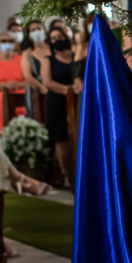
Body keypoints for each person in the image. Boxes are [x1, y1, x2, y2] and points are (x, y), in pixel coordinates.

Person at [40, 23, 81, 184]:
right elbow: (48, 82)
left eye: (60, 37)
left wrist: (75, 90)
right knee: (61, 137)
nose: (57, 40)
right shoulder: (48, 60)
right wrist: (67, 90)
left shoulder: (75, 56)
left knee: (76, 135)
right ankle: (65, 174)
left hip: (77, 99)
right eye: (53, 38)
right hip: (57, 101)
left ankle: (78, 168)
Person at [20, 18, 51, 116]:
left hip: (54, 87)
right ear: (28, 35)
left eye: (39, 28)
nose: (37, 32)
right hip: (37, 91)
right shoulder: (27, 53)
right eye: (33, 30)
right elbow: (28, 76)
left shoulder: (52, 48)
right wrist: (42, 87)